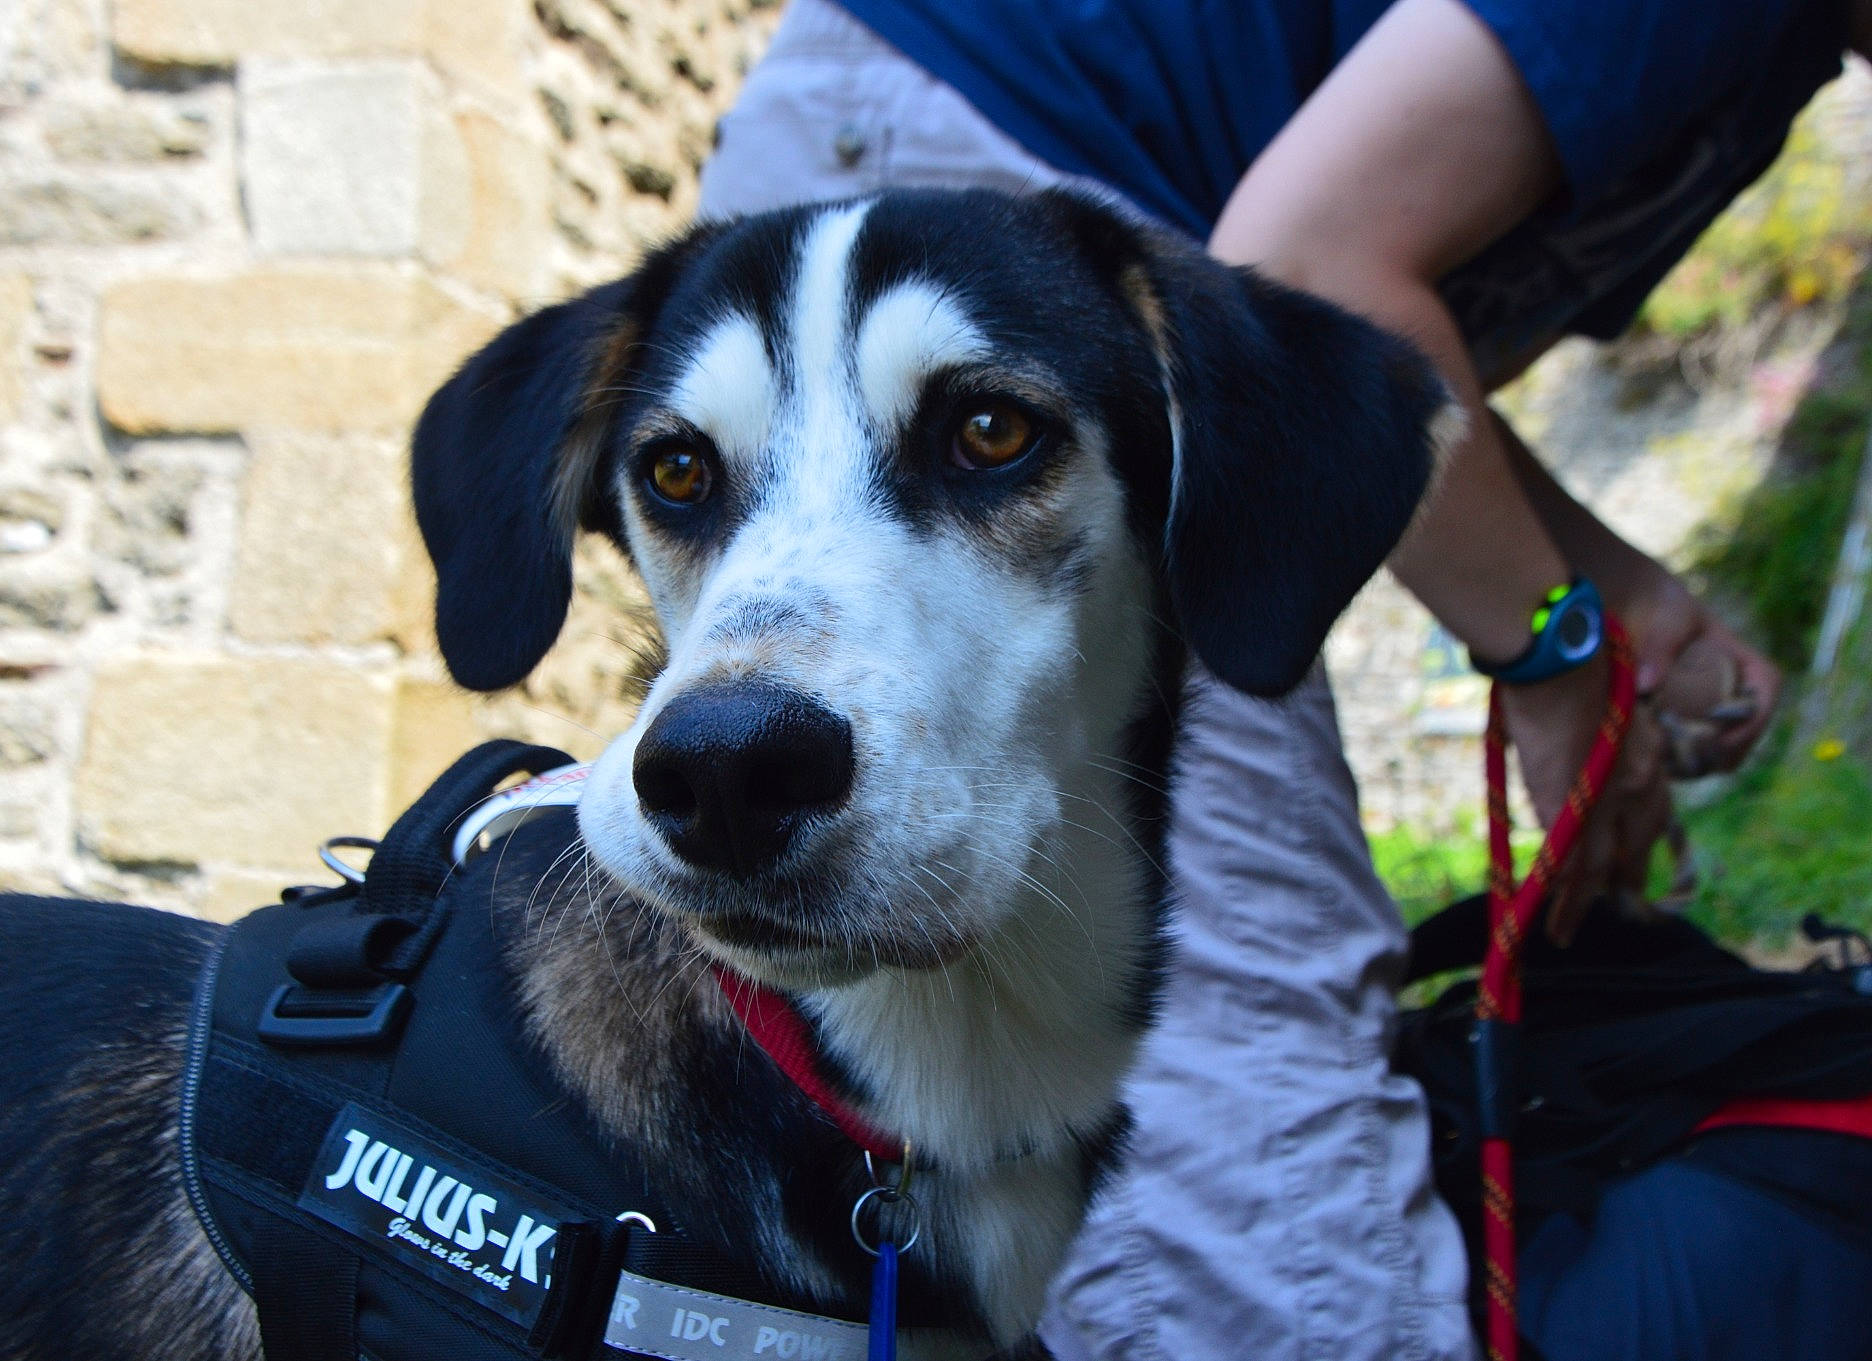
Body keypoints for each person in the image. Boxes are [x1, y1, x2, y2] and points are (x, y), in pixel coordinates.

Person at [695, 1, 1865, 1356]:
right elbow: (1311, 256)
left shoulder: (1765, 60)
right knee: (1226, 1080)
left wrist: (1612, 593)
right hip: (976, 223)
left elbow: (1364, 353)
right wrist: (1552, 649)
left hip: (987, 195)